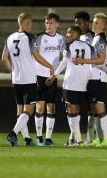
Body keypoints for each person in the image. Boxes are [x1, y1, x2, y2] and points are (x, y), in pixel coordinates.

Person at [2, 13, 54, 147]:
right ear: (27, 23)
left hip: (16, 79)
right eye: (30, 23)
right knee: (29, 109)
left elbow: (4, 58)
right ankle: (13, 133)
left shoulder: (10, 37)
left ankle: (27, 139)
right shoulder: (30, 38)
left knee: (20, 110)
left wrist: (12, 71)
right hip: (29, 79)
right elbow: (36, 56)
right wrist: (50, 66)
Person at [49, 26, 95, 147]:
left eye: (71, 32)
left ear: (78, 35)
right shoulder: (88, 46)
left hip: (71, 82)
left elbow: (64, 62)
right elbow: (95, 62)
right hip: (83, 83)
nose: (68, 34)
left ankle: (78, 140)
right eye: (68, 32)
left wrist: (54, 75)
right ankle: (75, 139)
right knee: (77, 111)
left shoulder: (68, 45)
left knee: (71, 111)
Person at [73, 13, 107, 147]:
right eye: (94, 22)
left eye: (97, 23)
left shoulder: (100, 38)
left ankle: (106, 139)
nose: (94, 25)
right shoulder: (95, 38)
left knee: (99, 107)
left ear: (103, 26)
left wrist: (83, 60)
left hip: (98, 78)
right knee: (94, 109)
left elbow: (101, 59)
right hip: (92, 77)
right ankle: (97, 138)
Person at [34, 13, 66, 146]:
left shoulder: (62, 39)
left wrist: (56, 72)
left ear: (57, 24)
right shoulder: (40, 37)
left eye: (51, 23)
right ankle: (39, 137)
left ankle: (48, 138)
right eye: (47, 23)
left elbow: (65, 57)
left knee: (51, 107)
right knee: (40, 106)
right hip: (39, 75)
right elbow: (34, 56)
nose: (48, 25)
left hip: (52, 77)